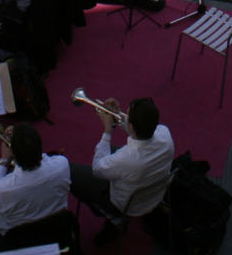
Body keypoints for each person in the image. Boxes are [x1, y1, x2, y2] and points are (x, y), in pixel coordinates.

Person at [0, 123, 73, 254]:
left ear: (14, 153)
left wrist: (4, 161)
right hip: (55, 228)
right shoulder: (62, 164)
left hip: (15, 238)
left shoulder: (3, 188)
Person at [70, 96, 175, 241]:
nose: (124, 115)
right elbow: (139, 129)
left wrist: (107, 131)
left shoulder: (127, 158)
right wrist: (116, 114)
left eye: (127, 115)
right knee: (112, 152)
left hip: (126, 205)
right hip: (154, 195)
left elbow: (97, 169)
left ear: (132, 126)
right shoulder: (165, 134)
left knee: (68, 170)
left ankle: (112, 219)